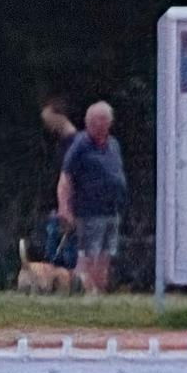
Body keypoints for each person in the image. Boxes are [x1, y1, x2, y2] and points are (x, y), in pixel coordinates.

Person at [61, 99, 130, 290]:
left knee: (106, 255)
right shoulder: (81, 144)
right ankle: (81, 291)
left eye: (99, 121)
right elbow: (65, 177)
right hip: (89, 210)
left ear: (108, 122)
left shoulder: (113, 144)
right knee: (88, 255)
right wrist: (64, 208)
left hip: (112, 210)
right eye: (91, 121)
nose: (93, 125)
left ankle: (98, 293)